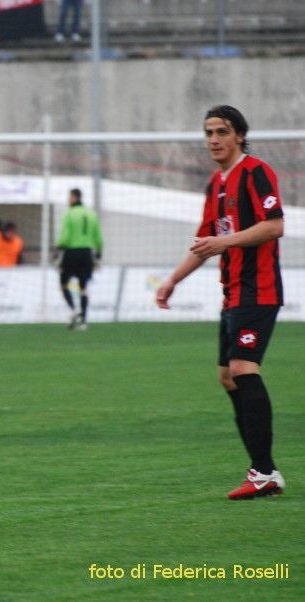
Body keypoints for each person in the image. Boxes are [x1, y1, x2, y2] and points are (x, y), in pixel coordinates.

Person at [156, 105, 285, 500]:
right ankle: (264, 471)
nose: (214, 139)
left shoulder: (256, 172)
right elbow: (205, 242)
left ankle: (263, 472)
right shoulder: (216, 183)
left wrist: (224, 242)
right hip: (232, 293)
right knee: (228, 376)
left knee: (243, 368)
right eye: (209, 132)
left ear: (240, 136)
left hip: (258, 290)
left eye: (222, 131)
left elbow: (275, 225)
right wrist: (173, 279)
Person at [56, 188, 102, 330]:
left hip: (71, 252)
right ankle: (83, 322)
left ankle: (73, 309)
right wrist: (99, 253)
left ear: (74, 198)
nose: (68, 200)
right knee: (84, 287)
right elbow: (98, 237)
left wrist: (58, 249)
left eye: (69, 197)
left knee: (63, 283)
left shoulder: (70, 214)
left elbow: (65, 236)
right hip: (87, 253)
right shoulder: (91, 214)